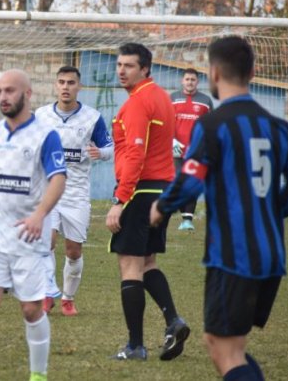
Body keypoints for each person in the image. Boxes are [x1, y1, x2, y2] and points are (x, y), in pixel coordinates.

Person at [150, 36, 288, 381]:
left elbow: (191, 179)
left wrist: (161, 207)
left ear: (213, 73)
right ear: (253, 72)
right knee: (227, 344)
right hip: (271, 255)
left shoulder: (213, 125)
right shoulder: (278, 127)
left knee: (225, 349)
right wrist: (271, 212)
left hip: (233, 255)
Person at [0, 69, 66, 381]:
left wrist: (39, 216)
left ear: (27, 94)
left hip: (28, 235)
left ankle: (39, 374)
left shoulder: (46, 136)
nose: (3, 97)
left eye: (10, 91)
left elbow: (58, 179)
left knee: (31, 309)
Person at [105, 42, 189, 362]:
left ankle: (135, 346)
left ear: (145, 69)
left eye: (129, 66)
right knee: (148, 262)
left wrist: (119, 198)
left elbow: (136, 153)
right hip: (161, 190)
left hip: (139, 191)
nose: (121, 71)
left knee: (129, 265)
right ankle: (173, 321)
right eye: (119, 65)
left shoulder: (139, 102)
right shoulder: (162, 98)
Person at [36, 66, 113, 317]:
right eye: (61, 82)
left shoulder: (92, 118)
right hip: (48, 191)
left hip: (77, 192)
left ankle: (68, 298)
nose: (66, 87)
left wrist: (100, 153)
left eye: (71, 82)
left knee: (73, 251)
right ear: (56, 86)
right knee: (46, 243)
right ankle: (47, 294)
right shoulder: (41, 116)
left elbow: (111, 147)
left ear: (78, 86)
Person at [170, 68, 213, 232]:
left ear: (197, 82)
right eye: (187, 79)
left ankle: (187, 220)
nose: (189, 82)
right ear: (182, 81)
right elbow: (167, 121)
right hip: (176, 149)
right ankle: (181, 213)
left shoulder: (205, 101)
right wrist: (171, 139)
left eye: (193, 79)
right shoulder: (173, 98)